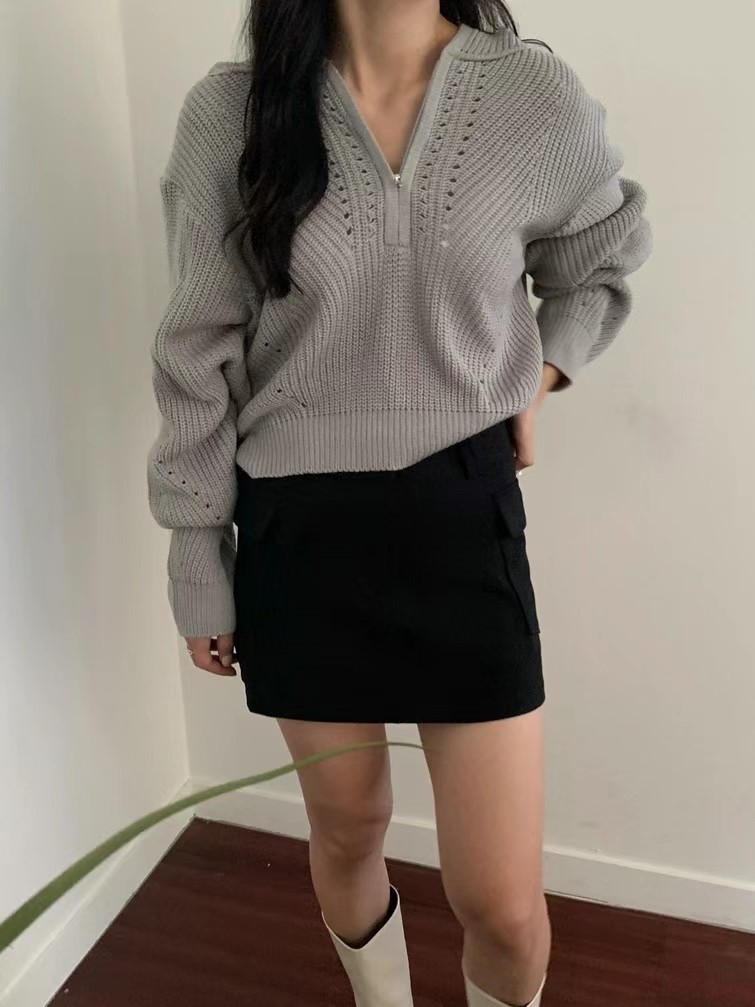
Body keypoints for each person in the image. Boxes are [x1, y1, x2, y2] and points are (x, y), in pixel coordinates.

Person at [147, 1, 652, 1004]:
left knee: (501, 901)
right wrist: (197, 550)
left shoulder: (530, 96)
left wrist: (538, 377)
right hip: (297, 534)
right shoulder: (231, 112)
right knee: (347, 828)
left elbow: (598, 263)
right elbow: (196, 352)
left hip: (460, 516)